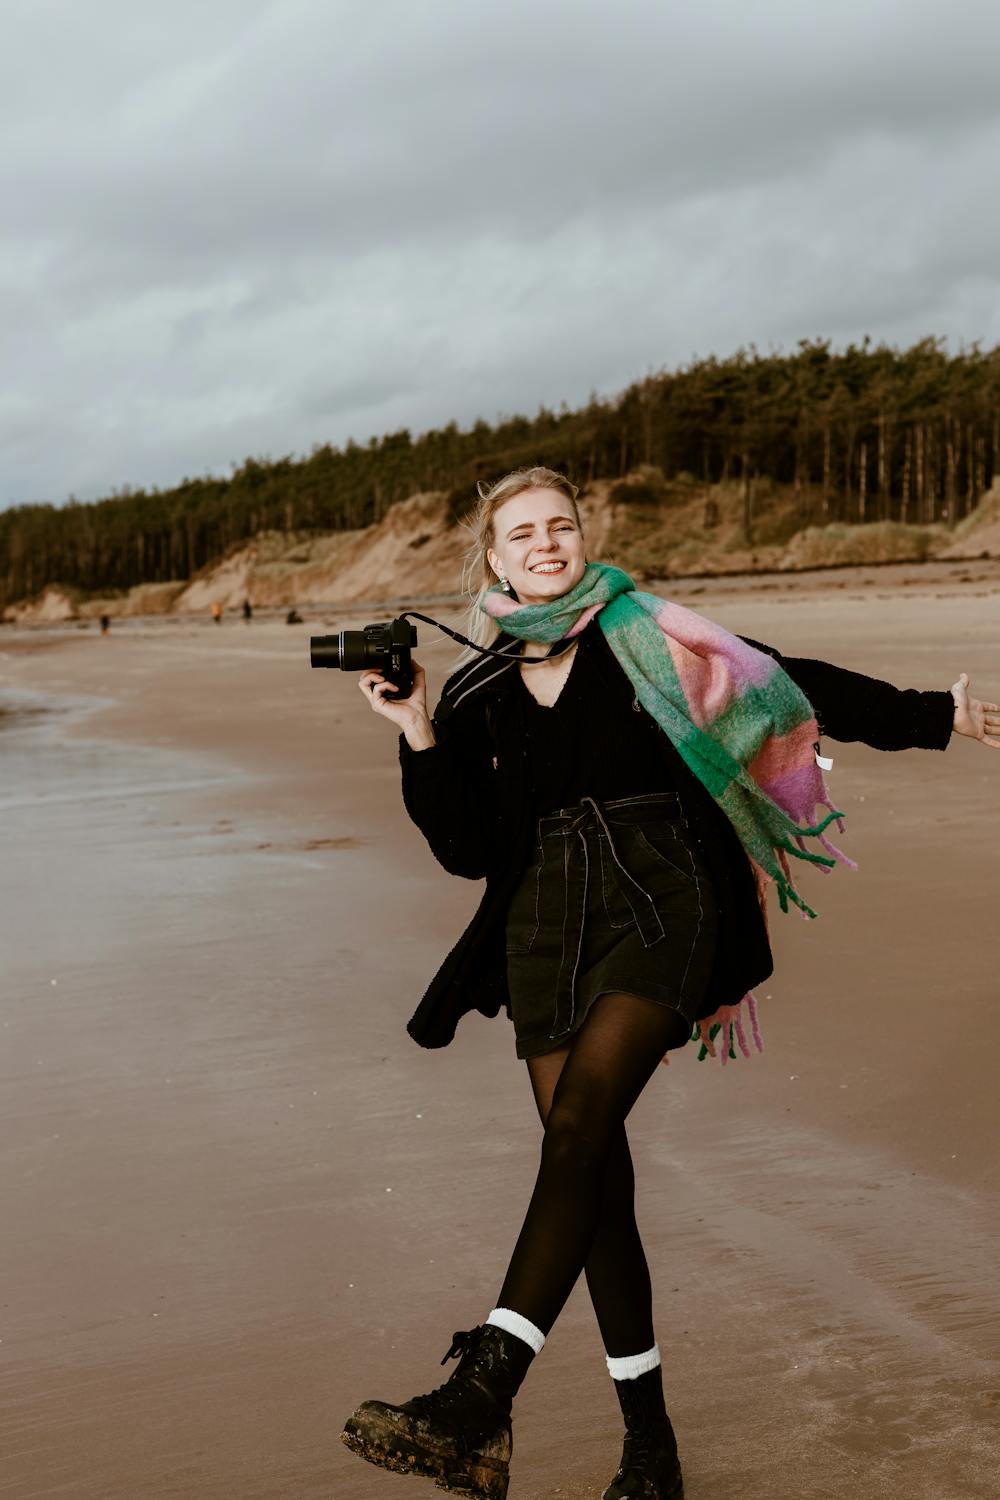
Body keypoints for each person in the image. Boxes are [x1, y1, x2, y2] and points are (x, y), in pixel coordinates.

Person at [340, 467, 999, 1500]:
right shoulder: (471, 688)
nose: (547, 544)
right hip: (542, 923)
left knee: (581, 1124)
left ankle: (482, 1394)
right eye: (523, 535)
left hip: (665, 891)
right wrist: (417, 729)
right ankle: (650, 1453)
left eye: (560, 525)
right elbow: (466, 848)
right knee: (591, 1177)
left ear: (581, 535)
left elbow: (786, 681)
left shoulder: (649, 633)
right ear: (493, 561)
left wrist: (932, 716)